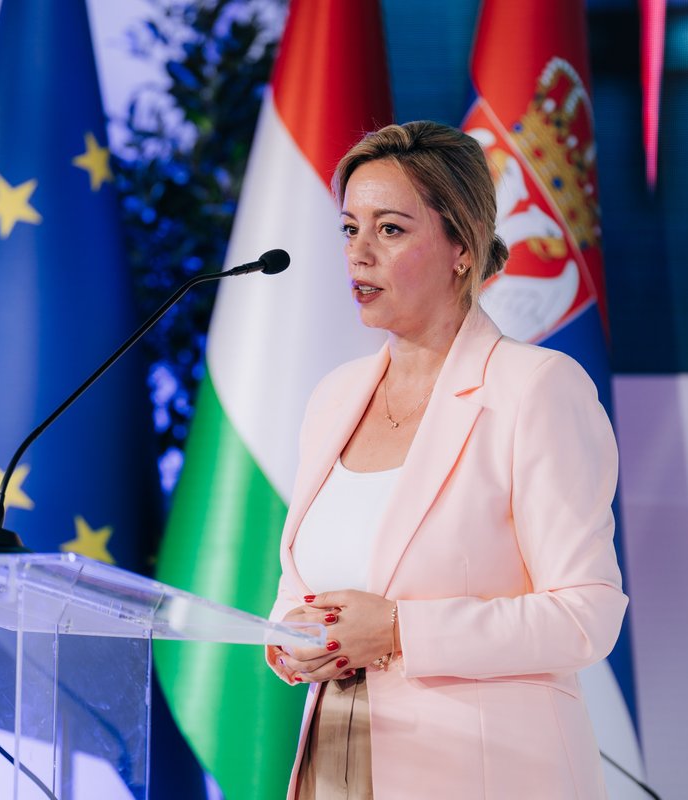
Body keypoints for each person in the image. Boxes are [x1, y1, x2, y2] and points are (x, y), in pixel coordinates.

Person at [265, 120, 627, 799]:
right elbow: (304, 585)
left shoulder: (534, 388)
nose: (359, 254)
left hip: (482, 770)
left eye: (390, 230)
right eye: (350, 229)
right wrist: (292, 636)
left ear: (462, 245)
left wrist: (399, 631)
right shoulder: (335, 396)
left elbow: (586, 614)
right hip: (336, 747)